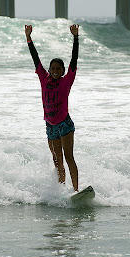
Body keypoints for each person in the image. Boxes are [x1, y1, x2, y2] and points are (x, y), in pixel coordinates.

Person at [25, 24, 79, 191]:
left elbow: (74, 60)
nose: (55, 71)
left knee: (68, 157)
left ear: (63, 71)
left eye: (58, 69)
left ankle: (76, 190)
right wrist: (28, 38)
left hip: (64, 124)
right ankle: (62, 190)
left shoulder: (66, 81)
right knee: (57, 160)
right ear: (49, 70)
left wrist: (76, 38)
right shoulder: (43, 78)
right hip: (50, 125)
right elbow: (35, 58)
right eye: (53, 68)